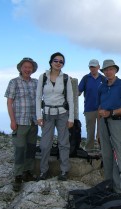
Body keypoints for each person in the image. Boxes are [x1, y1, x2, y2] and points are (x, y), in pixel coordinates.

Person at [36, 52, 74, 181]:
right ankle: (43, 171)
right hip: (47, 114)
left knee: (64, 143)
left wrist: (71, 118)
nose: (58, 63)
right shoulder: (43, 77)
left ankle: (64, 171)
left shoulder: (65, 78)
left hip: (62, 114)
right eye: (56, 60)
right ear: (51, 62)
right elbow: (38, 98)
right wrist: (38, 116)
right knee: (45, 144)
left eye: (61, 62)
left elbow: (70, 98)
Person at [97, 59, 121, 194]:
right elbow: (99, 107)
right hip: (103, 123)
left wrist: (111, 112)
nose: (108, 71)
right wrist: (98, 131)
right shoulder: (101, 87)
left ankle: (118, 189)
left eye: (110, 69)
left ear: (115, 70)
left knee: (118, 154)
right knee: (106, 155)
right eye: (105, 70)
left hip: (117, 122)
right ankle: (108, 185)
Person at [4, 57, 38, 191]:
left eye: (30, 67)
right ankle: (18, 175)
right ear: (20, 68)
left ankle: (27, 172)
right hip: (20, 122)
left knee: (31, 148)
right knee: (19, 150)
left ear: (33, 69)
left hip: (33, 121)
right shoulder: (14, 82)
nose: (28, 69)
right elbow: (9, 102)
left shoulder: (36, 83)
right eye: (25, 67)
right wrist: (12, 121)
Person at [78, 59, 106, 151]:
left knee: (101, 132)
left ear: (98, 67)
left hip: (102, 109)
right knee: (90, 132)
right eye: (91, 67)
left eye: (94, 67)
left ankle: (103, 151)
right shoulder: (86, 78)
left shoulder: (103, 79)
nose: (93, 69)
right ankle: (89, 150)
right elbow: (78, 92)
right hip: (89, 109)